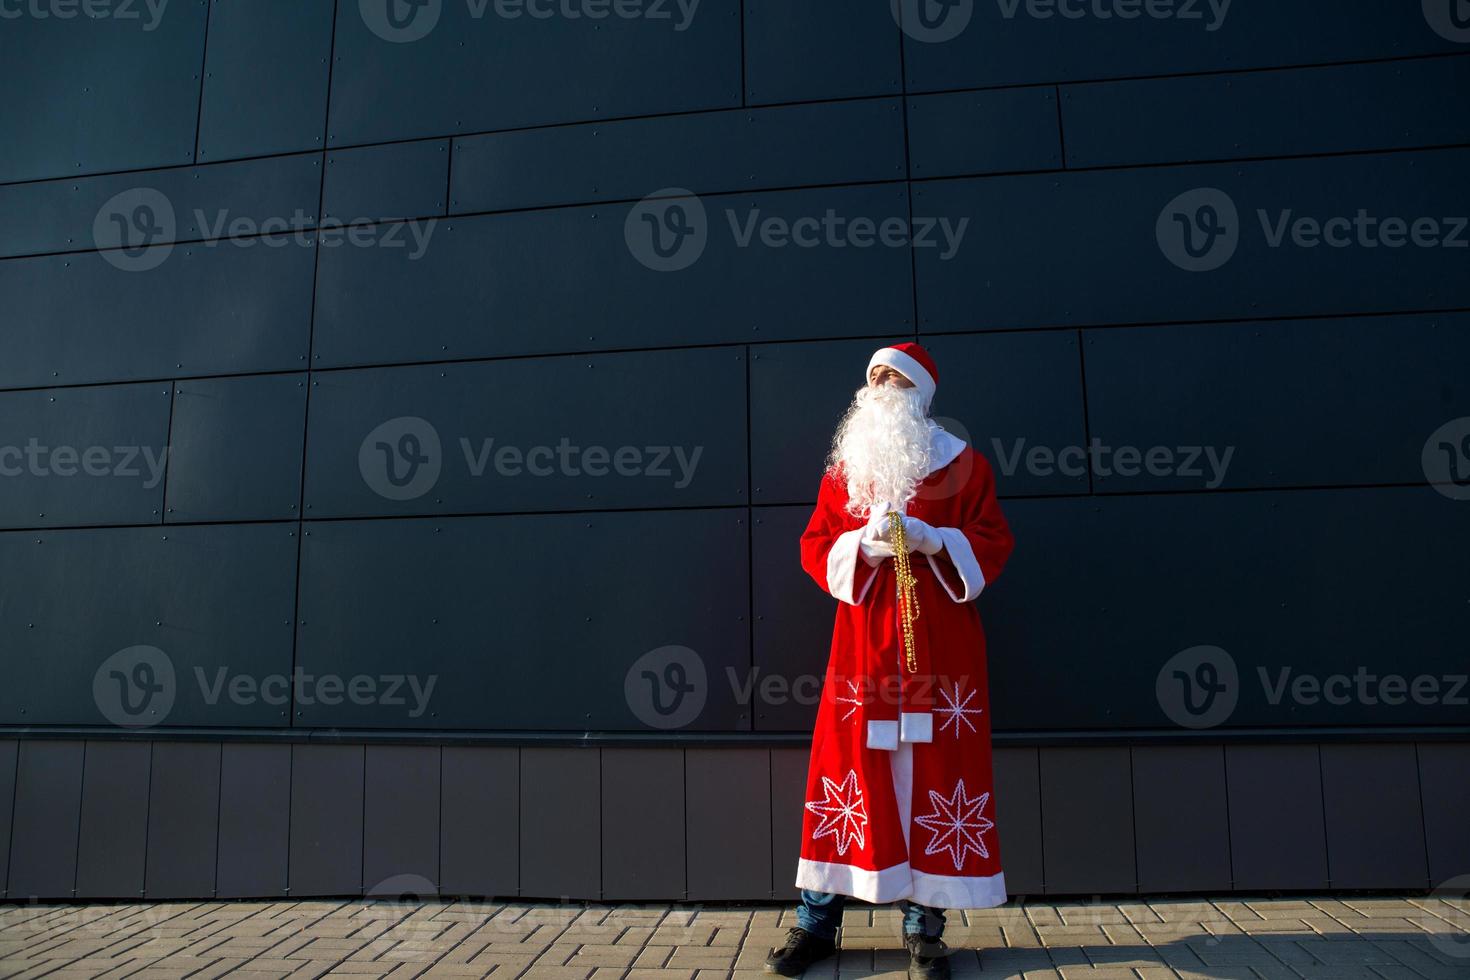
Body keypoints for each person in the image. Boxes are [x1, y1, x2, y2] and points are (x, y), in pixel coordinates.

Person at [766, 343, 1015, 980]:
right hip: (864, 655)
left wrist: (939, 540)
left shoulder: (964, 466)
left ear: (921, 393)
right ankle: (815, 922)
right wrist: (861, 545)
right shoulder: (846, 469)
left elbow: (992, 539)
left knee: (933, 773)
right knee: (845, 769)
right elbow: (815, 546)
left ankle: (923, 928)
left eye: (894, 378)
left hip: (943, 655)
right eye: (873, 376)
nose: (879, 386)